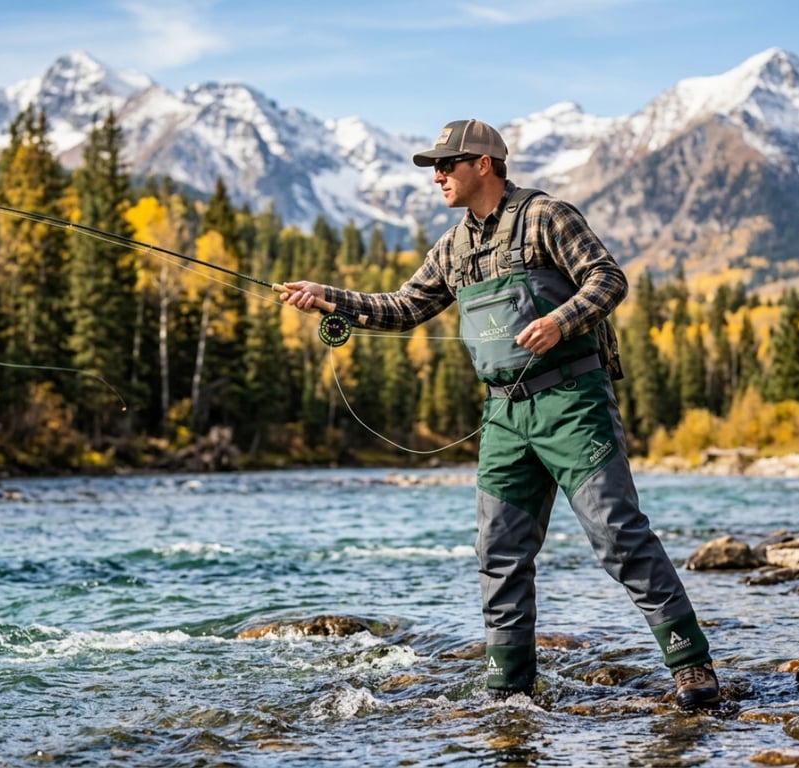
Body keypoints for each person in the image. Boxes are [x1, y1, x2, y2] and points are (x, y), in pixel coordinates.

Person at [281, 118, 720, 710]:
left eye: (446, 165)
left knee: (617, 534)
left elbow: (608, 279)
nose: (437, 176)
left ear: (482, 164)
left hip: (572, 403)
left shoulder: (546, 216)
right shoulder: (452, 247)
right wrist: (328, 298)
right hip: (503, 417)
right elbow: (404, 307)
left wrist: (560, 321)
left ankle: (690, 665)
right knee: (499, 554)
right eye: (434, 168)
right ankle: (508, 691)